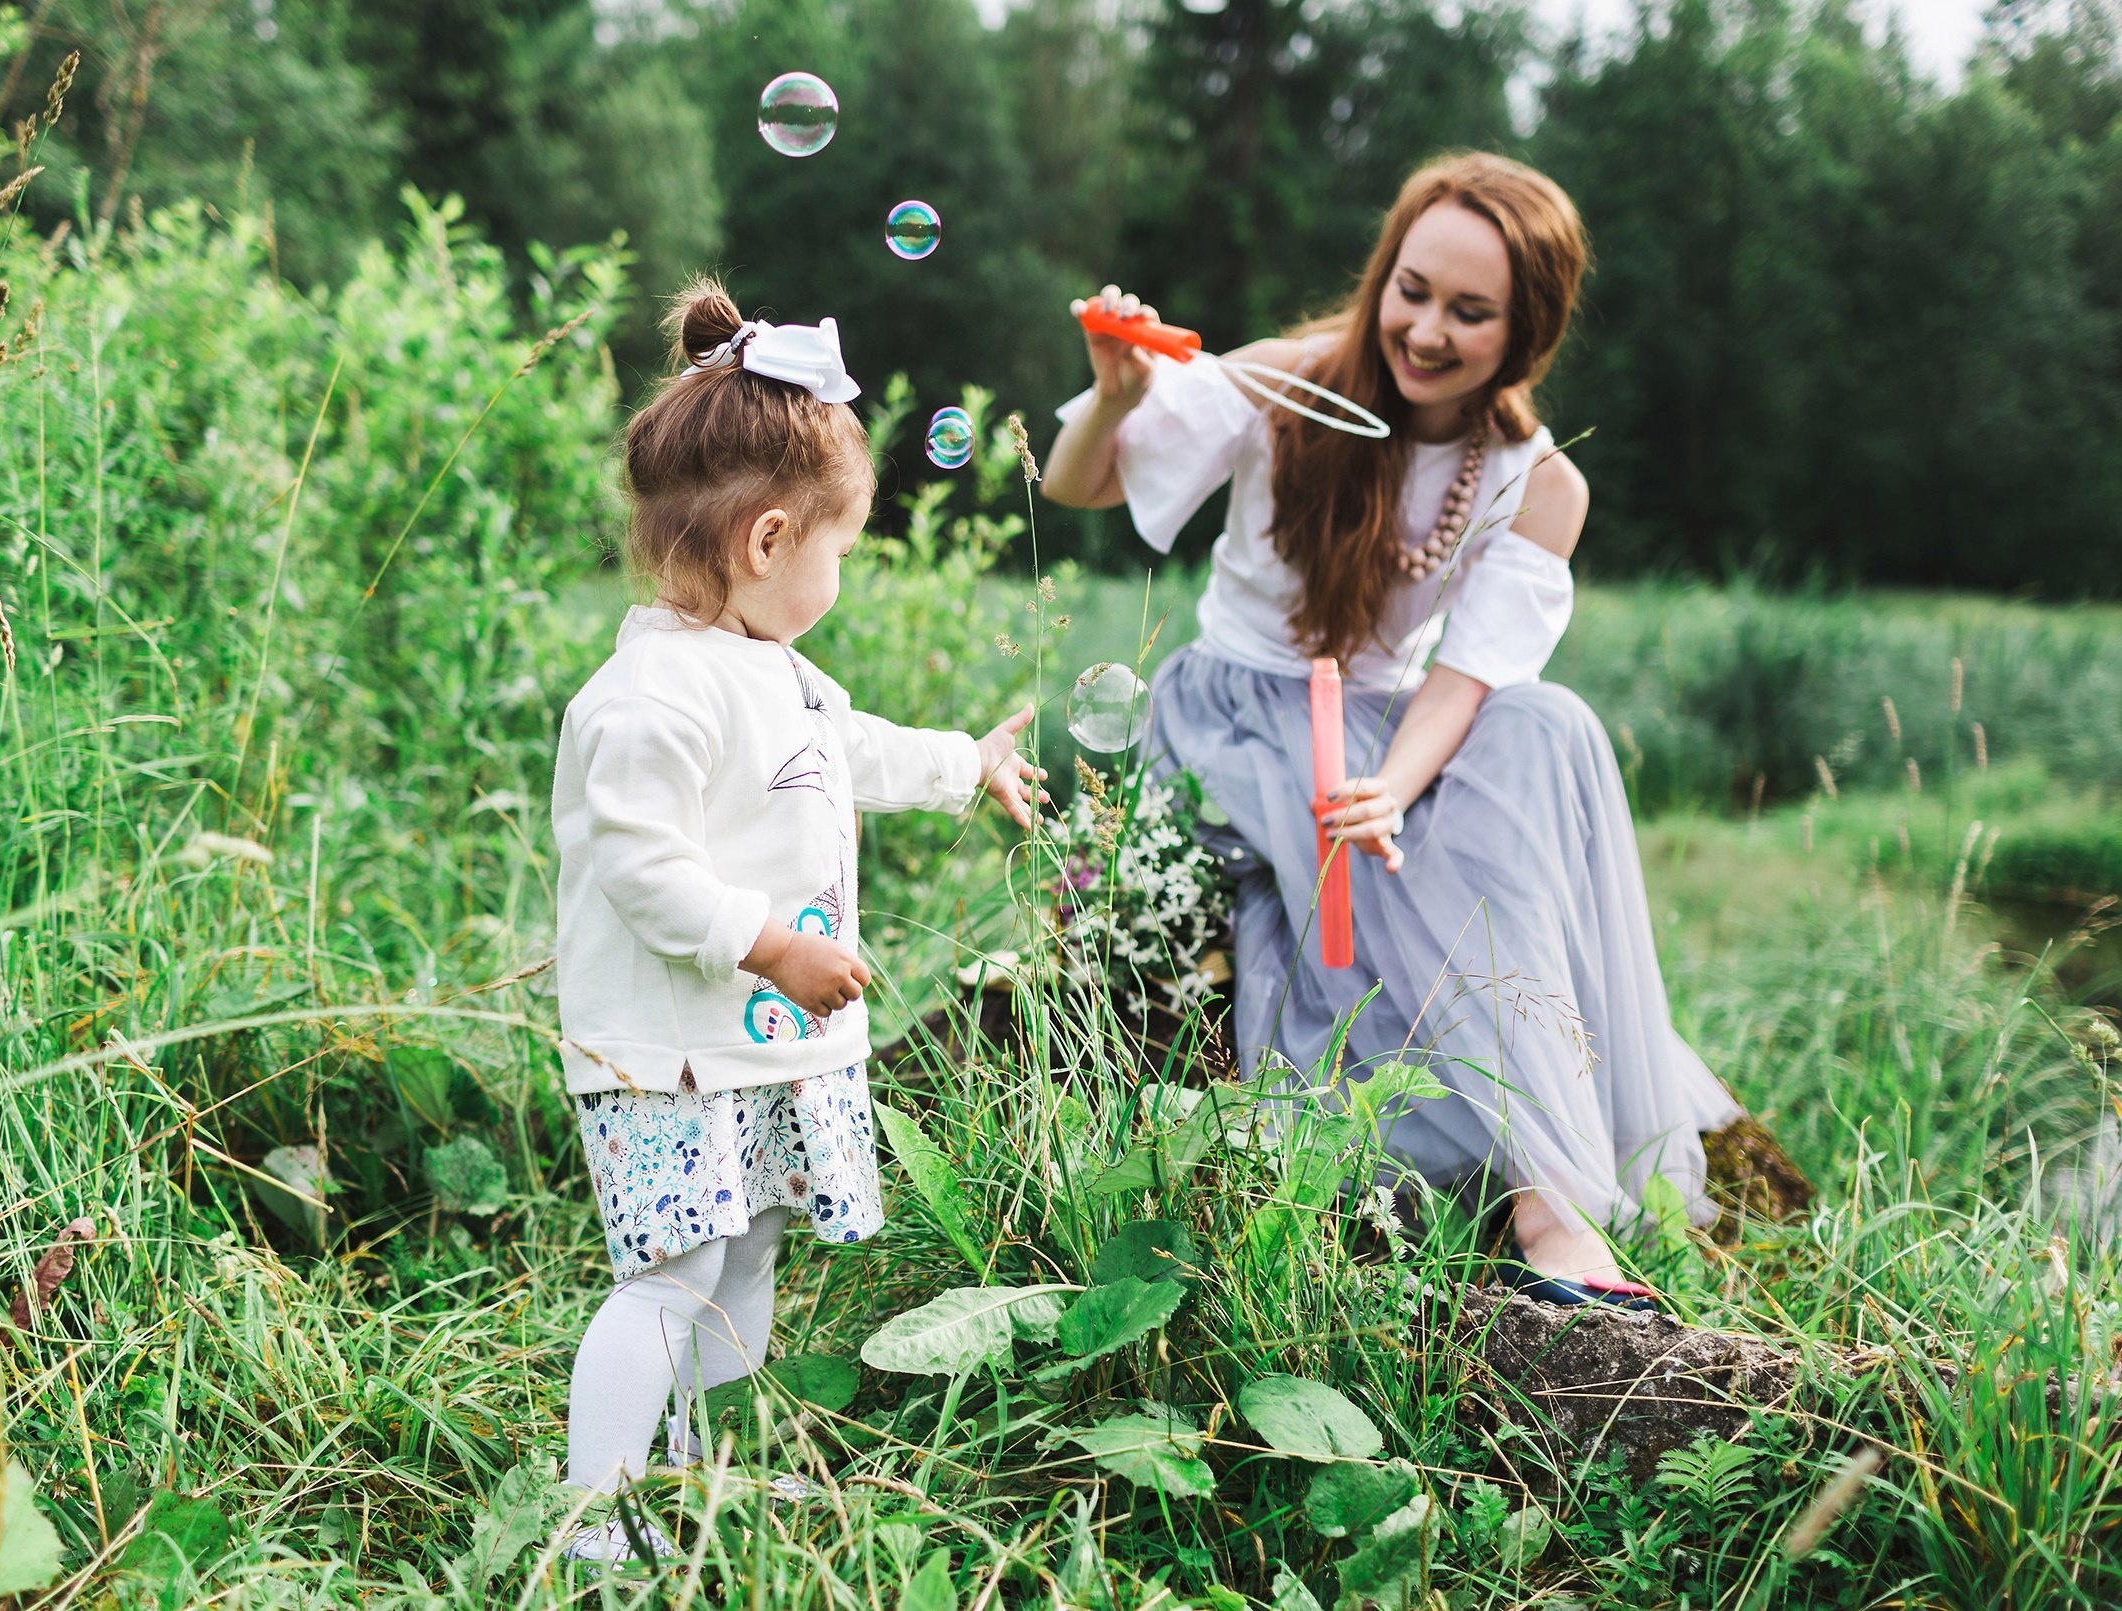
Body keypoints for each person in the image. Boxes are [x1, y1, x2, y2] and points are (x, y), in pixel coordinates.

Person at [1041, 152, 1739, 1304]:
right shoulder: (1285, 384)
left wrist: (1393, 787)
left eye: (1472, 313)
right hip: (1232, 715)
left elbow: (1466, 681)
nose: (1426, 330)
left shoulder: (1536, 481)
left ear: (1528, 330)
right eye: (1411, 290)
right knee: (1380, 922)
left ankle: (1549, 1199)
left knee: (1550, 722)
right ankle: (1477, 1159)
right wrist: (1117, 394)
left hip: (1392, 729)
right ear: (1383, 275)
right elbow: (1081, 489)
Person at [549, 279, 1044, 1558]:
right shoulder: (649, 695)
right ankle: (596, 1517)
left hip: (761, 1048)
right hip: (670, 1056)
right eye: (844, 546)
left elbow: (851, 749)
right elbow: (641, 868)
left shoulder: (774, 669)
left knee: (751, 1253)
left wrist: (963, 762)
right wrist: (773, 943)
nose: (843, 570)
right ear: (770, 541)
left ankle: (699, 1473)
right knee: (674, 1276)